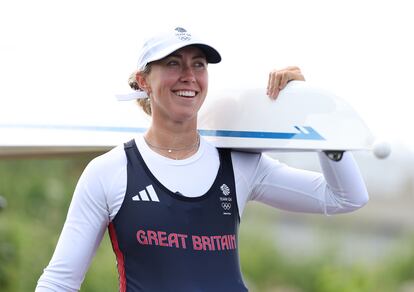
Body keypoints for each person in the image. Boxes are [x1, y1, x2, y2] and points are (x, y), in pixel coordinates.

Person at [36, 27, 368, 292]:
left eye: (198, 64)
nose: (189, 75)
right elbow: (59, 283)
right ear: (143, 81)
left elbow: (346, 197)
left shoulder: (238, 165)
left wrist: (314, 116)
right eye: (172, 64)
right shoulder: (109, 172)